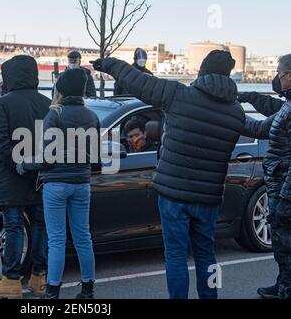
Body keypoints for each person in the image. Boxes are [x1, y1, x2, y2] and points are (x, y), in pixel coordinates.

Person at [92, 50, 246, 299]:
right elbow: (262, 128)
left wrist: (109, 64)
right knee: (206, 253)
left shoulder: (179, 94)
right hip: (208, 197)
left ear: (202, 71)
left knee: (175, 255)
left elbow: (138, 82)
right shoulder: (236, 112)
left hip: (174, 195)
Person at [17, 68, 100, 299]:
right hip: (81, 184)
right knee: (83, 237)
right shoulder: (92, 117)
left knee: (56, 240)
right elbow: (95, 159)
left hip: (56, 185)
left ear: (60, 90)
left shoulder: (55, 115)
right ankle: (87, 290)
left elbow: (47, 158)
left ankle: (52, 292)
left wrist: (25, 165)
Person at [0, 55, 51, 299]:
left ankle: (11, 281)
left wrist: (18, 164)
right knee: (41, 227)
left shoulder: (3, 104)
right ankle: (39, 279)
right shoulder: (48, 104)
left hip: (12, 178)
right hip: (41, 179)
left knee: (14, 228)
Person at [240, 54, 291, 299]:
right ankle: (283, 285)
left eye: (279, 73)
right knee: (282, 244)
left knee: (288, 243)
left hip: (285, 192)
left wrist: (286, 198)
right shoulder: (288, 105)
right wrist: (237, 105)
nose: (276, 78)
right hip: (278, 187)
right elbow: (261, 128)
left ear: (290, 75)